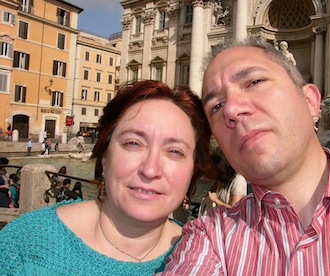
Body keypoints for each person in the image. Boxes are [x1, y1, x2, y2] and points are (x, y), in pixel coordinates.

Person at [159, 36, 330, 274]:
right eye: (216, 107)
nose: (231, 109)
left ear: (310, 101)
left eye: (254, 82)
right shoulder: (208, 236)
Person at [0, 80, 212, 275]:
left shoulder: (208, 260)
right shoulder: (27, 244)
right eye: (133, 143)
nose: (150, 169)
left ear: (193, 170)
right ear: (104, 156)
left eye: (175, 151)